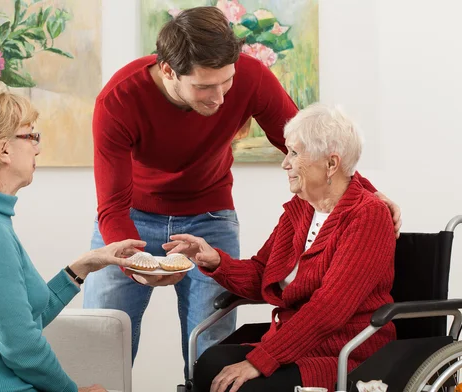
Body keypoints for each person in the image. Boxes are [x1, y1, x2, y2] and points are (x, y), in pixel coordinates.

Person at [83, 5, 401, 376]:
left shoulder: (251, 77)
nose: (219, 99)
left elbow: (308, 149)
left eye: (226, 83)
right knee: (101, 342)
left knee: (210, 350)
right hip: (132, 217)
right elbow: (112, 209)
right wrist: (135, 262)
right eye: (204, 87)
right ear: (168, 70)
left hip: (210, 215)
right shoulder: (118, 100)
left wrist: (367, 194)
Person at [164, 103, 397, 392]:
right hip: (295, 344)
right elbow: (264, 273)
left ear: (331, 164)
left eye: (295, 153)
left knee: (246, 387)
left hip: (345, 352)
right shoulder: (300, 210)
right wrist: (215, 261)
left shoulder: (367, 215)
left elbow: (330, 309)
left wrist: (260, 360)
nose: (285, 163)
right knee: (210, 365)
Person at [0, 91, 144, 392]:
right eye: (30, 136)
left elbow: (23, 321)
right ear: (3, 149)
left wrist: (82, 267)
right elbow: (21, 347)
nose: (37, 148)